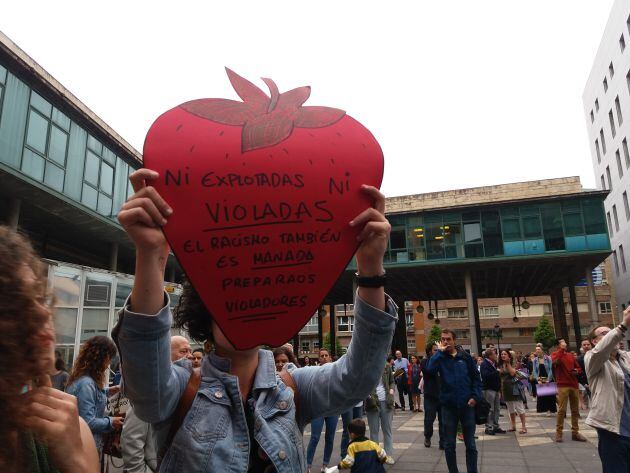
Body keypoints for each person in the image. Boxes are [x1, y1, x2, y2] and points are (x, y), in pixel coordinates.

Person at [113, 169, 396, 472]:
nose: (243, 309)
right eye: (228, 298)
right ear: (205, 313)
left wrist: (370, 267)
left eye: (256, 295)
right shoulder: (181, 388)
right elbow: (146, 390)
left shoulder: (292, 387)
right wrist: (150, 252)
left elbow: (358, 378)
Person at [0, 226, 99, 473]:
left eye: (39, 297)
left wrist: (76, 464)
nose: (44, 313)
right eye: (15, 304)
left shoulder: (71, 429)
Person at [427, 329, 481, 473]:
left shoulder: (465, 357)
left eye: (448, 339)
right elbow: (430, 371)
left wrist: (475, 396)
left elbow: (476, 378)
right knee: (449, 445)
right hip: (448, 407)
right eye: (443, 339)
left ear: (454, 340)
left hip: (467, 405)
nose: (445, 342)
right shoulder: (440, 357)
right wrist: (438, 352)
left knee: (470, 444)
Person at [585, 308, 630, 473]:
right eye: (604, 333)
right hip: (613, 431)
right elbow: (602, 351)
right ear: (595, 342)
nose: (611, 334)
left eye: (610, 332)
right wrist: (624, 324)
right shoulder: (592, 358)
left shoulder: (626, 357)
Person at [66, 336, 124, 452]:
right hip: (86, 447)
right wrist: (111, 422)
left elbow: (90, 398)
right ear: (101, 358)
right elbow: (87, 422)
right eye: (108, 359)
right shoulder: (87, 384)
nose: (108, 365)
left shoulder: (83, 379)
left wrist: (108, 391)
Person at [306, 348, 340, 472]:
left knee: (330, 437)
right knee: (315, 437)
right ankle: (308, 464)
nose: (324, 357)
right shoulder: (315, 372)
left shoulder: (336, 372)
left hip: (332, 409)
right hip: (318, 408)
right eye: (322, 356)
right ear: (319, 358)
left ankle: (325, 464)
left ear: (330, 357)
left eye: (326, 355)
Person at [551, 338, 586, 442]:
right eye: (562, 342)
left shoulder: (570, 355)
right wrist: (561, 350)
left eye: (564, 342)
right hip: (562, 385)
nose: (565, 343)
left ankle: (575, 433)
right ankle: (559, 433)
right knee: (562, 410)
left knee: (575, 410)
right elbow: (555, 361)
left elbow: (578, 367)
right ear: (558, 345)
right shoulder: (555, 354)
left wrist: (577, 371)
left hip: (574, 384)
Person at [365, 361, 395, 465]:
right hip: (372, 402)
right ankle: (375, 455)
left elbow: (392, 381)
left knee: (387, 430)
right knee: (374, 431)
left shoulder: (386, 365)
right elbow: (362, 384)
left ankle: (388, 455)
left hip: (386, 401)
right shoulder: (367, 366)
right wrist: (367, 395)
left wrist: (391, 391)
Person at [421, 341, 444, 449]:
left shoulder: (442, 360)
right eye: (436, 350)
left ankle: (443, 441)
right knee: (429, 419)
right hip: (430, 395)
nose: (438, 352)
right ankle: (427, 436)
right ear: (429, 351)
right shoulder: (425, 361)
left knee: (443, 420)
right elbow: (429, 371)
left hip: (442, 395)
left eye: (438, 350)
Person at [498, 350, 527, 434]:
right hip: (506, 389)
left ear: (509, 356)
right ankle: (513, 426)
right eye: (502, 354)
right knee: (510, 409)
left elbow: (512, 373)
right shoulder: (500, 365)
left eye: (505, 354)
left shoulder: (514, 364)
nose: (503, 355)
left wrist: (508, 363)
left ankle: (524, 427)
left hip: (514, 389)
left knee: (519, 408)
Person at [479, 348, 505, 435]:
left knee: (497, 408)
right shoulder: (484, 364)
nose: (496, 355)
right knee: (490, 409)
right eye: (494, 354)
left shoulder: (494, 364)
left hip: (496, 389)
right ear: (490, 356)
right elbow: (485, 376)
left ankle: (495, 425)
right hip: (489, 389)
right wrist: (496, 372)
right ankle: (489, 427)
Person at [531, 344, 556, 415]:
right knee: (543, 395)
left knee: (550, 395)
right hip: (540, 378)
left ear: (542, 350)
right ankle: (546, 410)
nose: (537, 351)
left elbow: (551, 369)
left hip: (548, 377)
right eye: (536, 350)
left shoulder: (548, 358)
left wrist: (549, 379)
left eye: (538, 349)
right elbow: (535, 371)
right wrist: (537, 379)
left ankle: (552, 410)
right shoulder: (535, 360)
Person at [577, 339, 592, 410]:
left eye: (588, 344)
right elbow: (579, 372)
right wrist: (584, 383)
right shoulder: (579, 359)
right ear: (581, 347)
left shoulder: (597, 355)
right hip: (586, 383)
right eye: (584, 345)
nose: (586, 346)